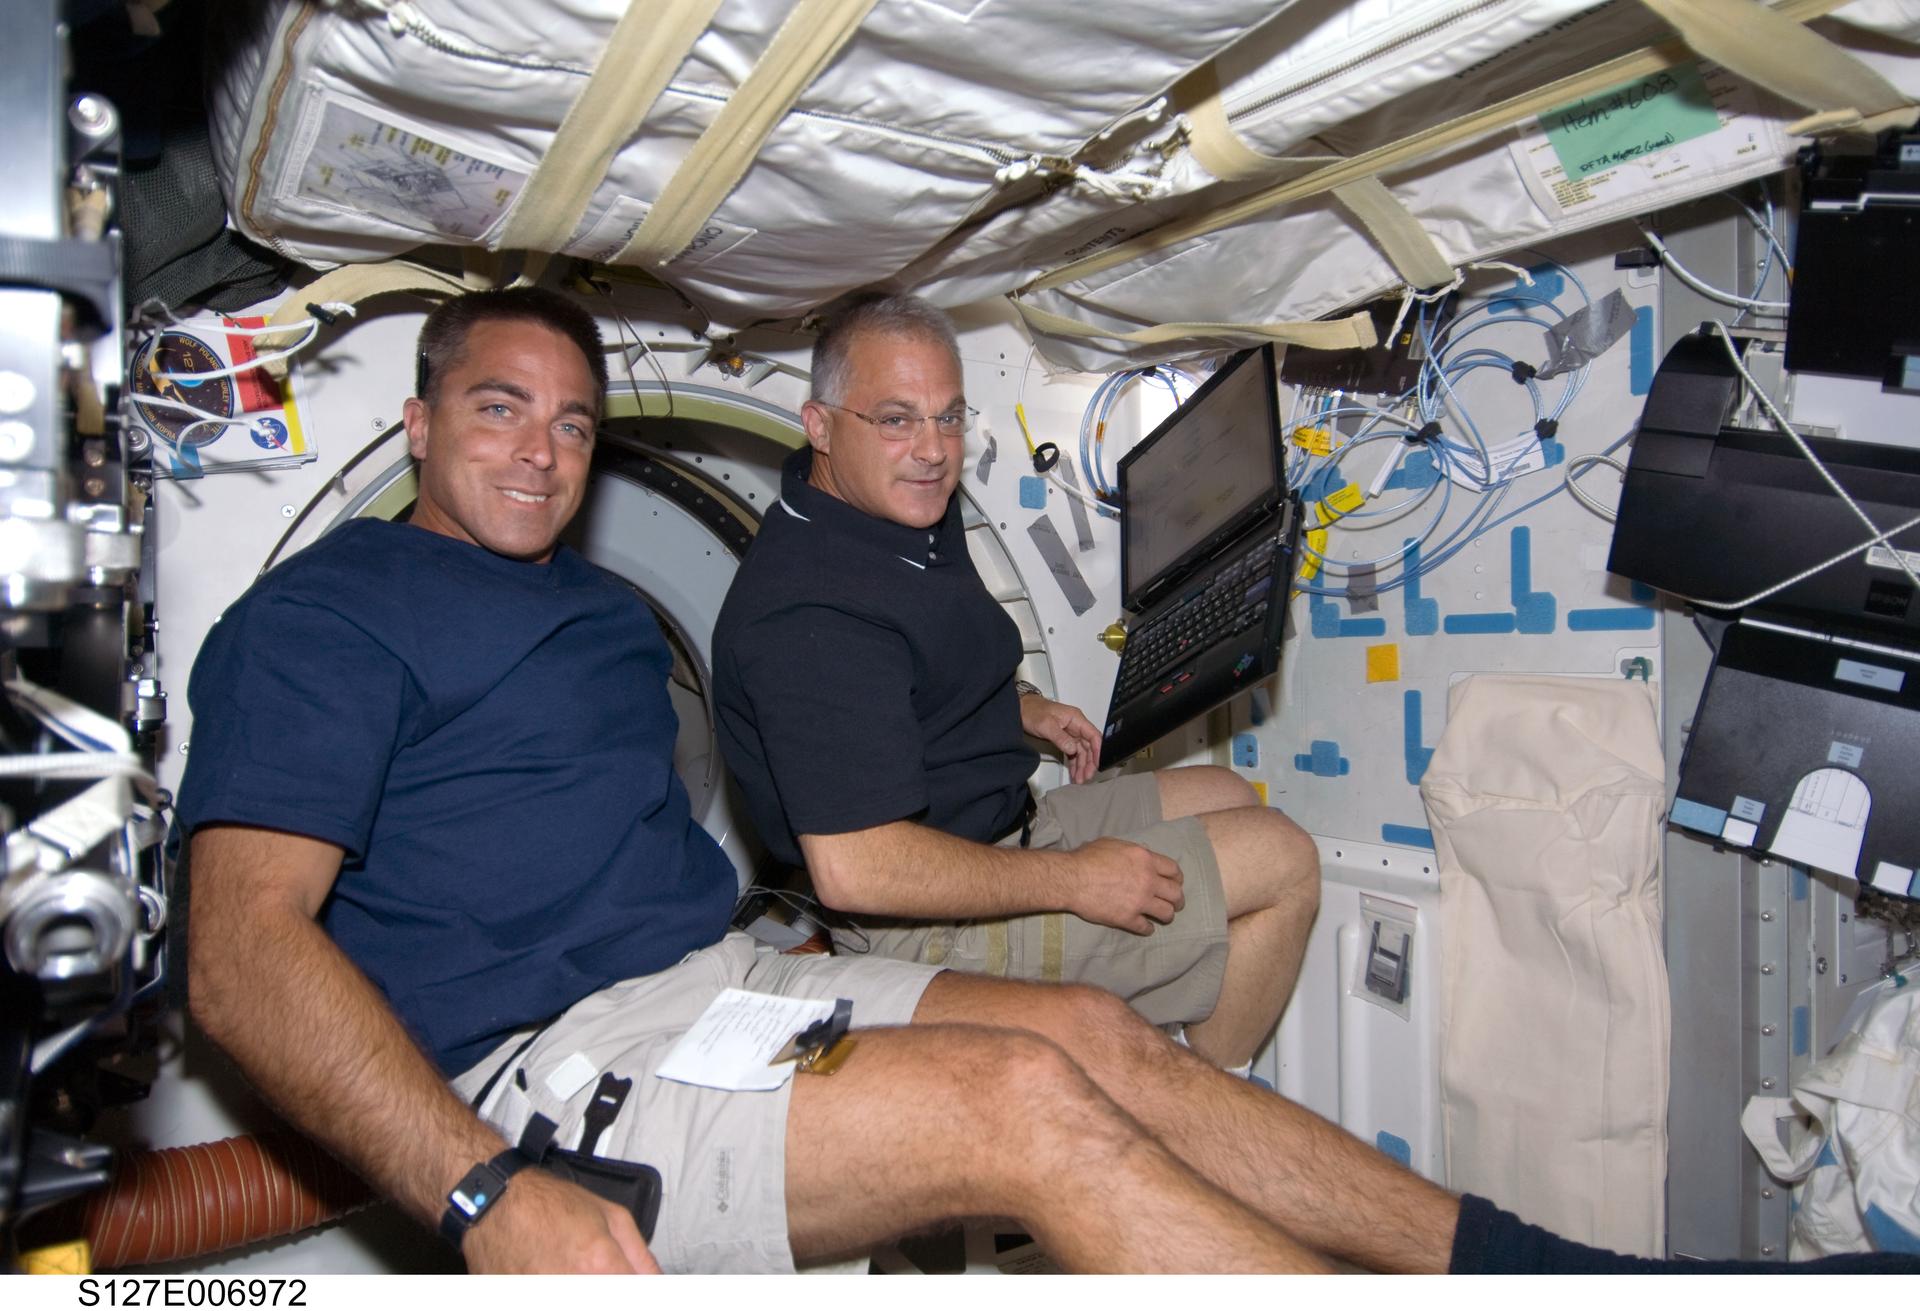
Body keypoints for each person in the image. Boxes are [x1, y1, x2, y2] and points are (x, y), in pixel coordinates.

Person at [177, 287, 1909, 1277]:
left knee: (1096, 1038)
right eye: (498, 410)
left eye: (571, 422)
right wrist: (482, 1184)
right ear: (418, 424)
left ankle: (1540, 1271)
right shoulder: (325, 618)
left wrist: (1009, 708)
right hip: (550, 1067)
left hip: (717, 981)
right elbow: (242, 958)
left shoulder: (599, 623)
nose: (541, 451)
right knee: (1028, 1104)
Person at [712, 294, 1318, 1072]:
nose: (933, 449)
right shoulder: (809, 613)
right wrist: (1076, 881)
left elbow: (913, 673)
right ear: (820, 425)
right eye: (895, 419)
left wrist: (1020, 706)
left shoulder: (896, 509)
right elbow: (860, 868)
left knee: (1228, 794)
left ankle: (1153, 1033)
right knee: (1284, 859)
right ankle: (1206, 1100)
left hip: (1002, 827)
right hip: (927, 924)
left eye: (949, 417)